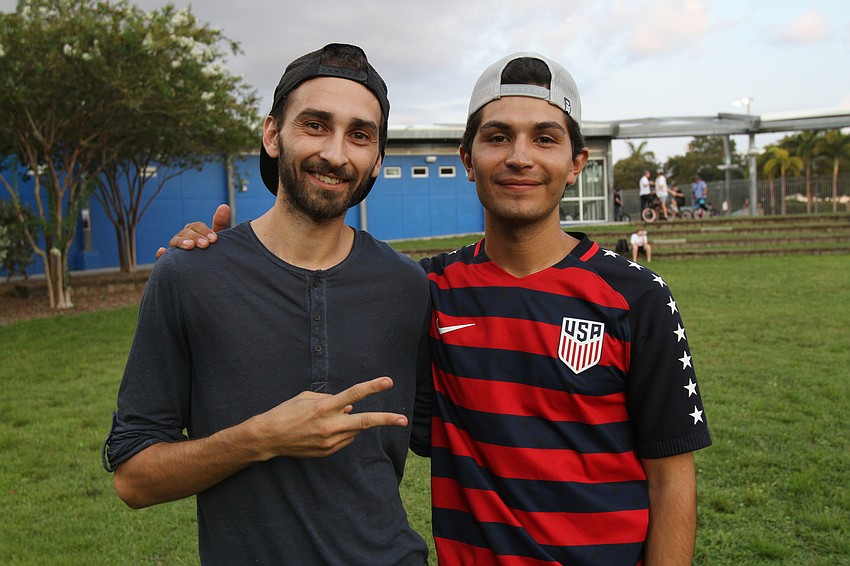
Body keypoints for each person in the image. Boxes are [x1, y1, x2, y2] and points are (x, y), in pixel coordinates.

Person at [167, 52, 711, 565]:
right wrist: (225, 259)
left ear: (576, 164)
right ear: (467, 161)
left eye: (544, 138)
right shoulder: (426, 288)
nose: (519, 156)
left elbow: (670, 479)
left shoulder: (638, 297)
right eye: (498, 137)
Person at [102, 43, 433, 565]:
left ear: (378, 160)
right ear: (273, 134)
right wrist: (260, 438)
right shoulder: (190, 274)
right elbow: (134, 478)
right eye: (316, 125)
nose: (337, 154)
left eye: (360, 135)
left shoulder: (408, 287)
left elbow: (450, 430)